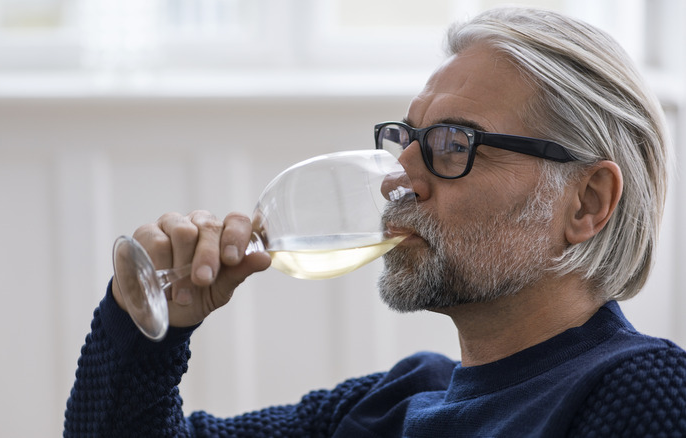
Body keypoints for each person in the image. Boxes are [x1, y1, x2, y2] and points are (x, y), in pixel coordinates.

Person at [64, 6, 686, 437]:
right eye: (407, 139)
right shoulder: (392, 401)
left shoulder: (646, 391)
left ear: (586, 202)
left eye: (451, 143)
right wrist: (147, 328)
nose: (398, 177)